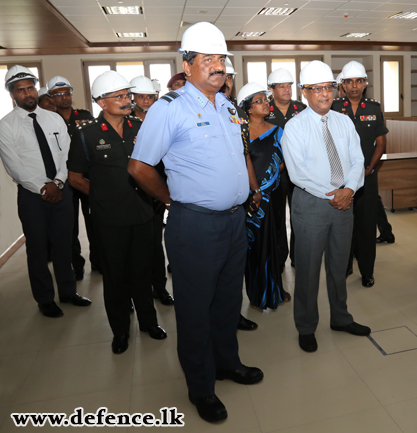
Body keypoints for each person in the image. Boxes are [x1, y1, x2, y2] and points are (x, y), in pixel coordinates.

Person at [127, 22, 264, 423]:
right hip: (196, 226)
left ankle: (227, 363)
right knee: (194, 308)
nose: (217, 66)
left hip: (234, 222)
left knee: (226, 301)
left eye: (221, 59)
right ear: (187, 65)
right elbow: (138, 167)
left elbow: (238, 158)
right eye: (208, 59)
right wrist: (173, 199)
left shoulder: (228, 106)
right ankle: (201, 386)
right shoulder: (169, 108)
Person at [68, 71, 166, 353]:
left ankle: (149, 323)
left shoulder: (139, 128)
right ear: (101, 102)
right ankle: (120, 332)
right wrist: (102, 196)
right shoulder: (86, 136)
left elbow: (153, 167)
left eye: (127, 95)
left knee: (142, 271)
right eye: (119, 97)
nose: (127, 101)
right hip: (110, 219)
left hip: (143, 214)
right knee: (115, 277)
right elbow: (75, 178)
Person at [282, 60, 371, 353]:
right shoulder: (294, 127)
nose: (324, 94)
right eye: (316, 89)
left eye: (328, 88)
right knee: (307, 270)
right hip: (311, 205)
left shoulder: (344, 121)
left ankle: (341, 318)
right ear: (304, 93)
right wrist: (337, 194)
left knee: (339, 265)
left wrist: (349, 190)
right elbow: (298, 174)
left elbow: (358, 160)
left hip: (344, 202)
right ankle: (306, 327)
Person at [0, 66, 91, 318]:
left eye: (30, 88)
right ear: (12, 95)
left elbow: (66, 154)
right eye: (21, 90)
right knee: (38, 250)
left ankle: (68, 292)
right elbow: (14, 166)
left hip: (61, 191)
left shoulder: (54, 119)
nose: (27, 94)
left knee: (64, 244)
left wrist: (59, 183)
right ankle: (45, 299)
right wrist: (44, 187)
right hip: (32, 197)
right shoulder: (6, 126)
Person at [332, 60, 389, 287]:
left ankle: (367, 271)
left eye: (358, 81)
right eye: (349, 81)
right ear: (342, 85)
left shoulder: (374, 108)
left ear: (365, 84)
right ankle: (344, 266)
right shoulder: (334, 107)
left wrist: (368, 170)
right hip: (340, 179)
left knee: (366, 226)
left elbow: (381, 144)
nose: (354, 85)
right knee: (342, 225)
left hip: (367, 177)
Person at [219, 58, 264, 329]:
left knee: (235, 266)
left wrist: (254, 188)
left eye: (229, 78)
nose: (226, 83)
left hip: (237, 203)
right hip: (207, 207)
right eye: (222, 76)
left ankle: (233, 315)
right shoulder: (185, 110)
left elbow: (245, 155)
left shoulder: (237, 115)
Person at [237, 82, 287, 309]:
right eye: (259, 101)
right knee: (252, 245)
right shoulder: (239, 131)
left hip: (272, 196)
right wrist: (255, 189)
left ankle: (275, 287)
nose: (266, 104)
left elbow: (286, 159)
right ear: (247, 107)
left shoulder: (278, 130)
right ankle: (257, 293)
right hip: (249, 198)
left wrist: (269, 180)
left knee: (275, 240)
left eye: (266, 100)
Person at [129, 75, 174, 306]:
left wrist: (162, 194)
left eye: (150, 96)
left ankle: (160, 288)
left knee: (156, 246)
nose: (146, 101)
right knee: (134, 251)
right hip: (133, 195)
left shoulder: (161, 119)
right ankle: (134, 293)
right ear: (132, 98)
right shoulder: (126, 123)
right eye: (141, 96)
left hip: (157, 193)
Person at [47, 75, 97, 280]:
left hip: (85, 177)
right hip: (64, 180)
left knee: (94, 222)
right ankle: (76, 265)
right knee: (69, 227)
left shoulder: (84, 115)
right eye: (58, 94)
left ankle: (99, 261)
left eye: (67, 93)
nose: (64, 97)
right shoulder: (47, 120)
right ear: (51, 99)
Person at [266, 68, 306, 269]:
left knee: (298, 216)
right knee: (278, 218)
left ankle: (297, 257)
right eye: (281, 86)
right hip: (275, 174)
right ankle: (280, 257)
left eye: (289, 86)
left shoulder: (302, 108)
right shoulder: (265, 110)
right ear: (271, 89)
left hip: (298, 172)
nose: (287, 90)